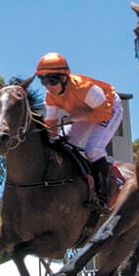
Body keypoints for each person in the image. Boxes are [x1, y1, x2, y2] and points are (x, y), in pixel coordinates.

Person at [35, 52, 124, 212]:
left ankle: (104, 197)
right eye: (43, 82)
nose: (48, 87)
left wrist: (77, 117)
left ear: (64, 78)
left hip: (109, 108)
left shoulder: (83, 88)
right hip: (86, 112)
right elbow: (52, 127)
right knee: (63, 146)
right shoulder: (51, 97)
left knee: (93, 149)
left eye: (52, 81)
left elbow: (104, 114)